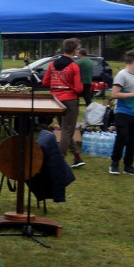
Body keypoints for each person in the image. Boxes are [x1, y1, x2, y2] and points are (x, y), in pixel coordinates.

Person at [41, 37, 85, 169]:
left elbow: (44, 82)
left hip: (56, 100)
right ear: (75, 51)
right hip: (69, 99)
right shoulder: (73, 66)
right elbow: (78, 88)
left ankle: (77, 157)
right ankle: (59, 160)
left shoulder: (52, 64)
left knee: (66, 130)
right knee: (67, 130)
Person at [109, 50, 134, 176]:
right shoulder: (122, 75)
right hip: (123, 112)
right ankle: (114, 163)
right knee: (122, 136)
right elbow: (114, 94)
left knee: (133, 140)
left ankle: (128, 165)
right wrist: (133, 94)